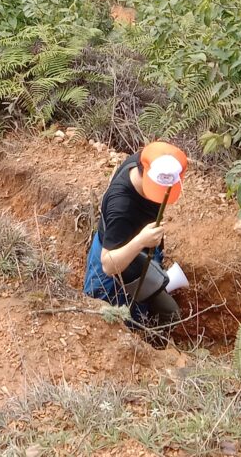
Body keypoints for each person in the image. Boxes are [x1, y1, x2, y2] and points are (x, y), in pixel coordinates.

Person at [82, 141, 187, 347]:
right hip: (114, 264)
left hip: (140, 251)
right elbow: (108, 264)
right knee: (111, 323)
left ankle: (146, 346)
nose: (161, 196)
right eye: (158, 189)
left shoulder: (144, 160)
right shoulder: (121, 207)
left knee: (144, 311)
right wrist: (141, 241)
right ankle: (143, 356)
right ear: (145, 172)